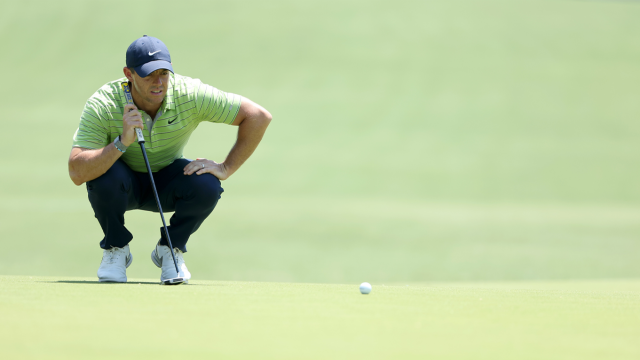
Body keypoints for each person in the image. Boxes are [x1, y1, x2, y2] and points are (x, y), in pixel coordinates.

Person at [68, 35, 272, 284]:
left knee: (207, 185)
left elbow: (258, 116)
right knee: (103, 176)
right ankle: (115, 248)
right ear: (128, 74)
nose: (158, 82)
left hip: (167, 180)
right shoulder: (104, 102)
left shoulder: (189, 94)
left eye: (164, 73)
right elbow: (77, 172)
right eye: (148, 75)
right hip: (123, 183)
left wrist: (226, 167)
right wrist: (121, 143)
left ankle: (170, 249)